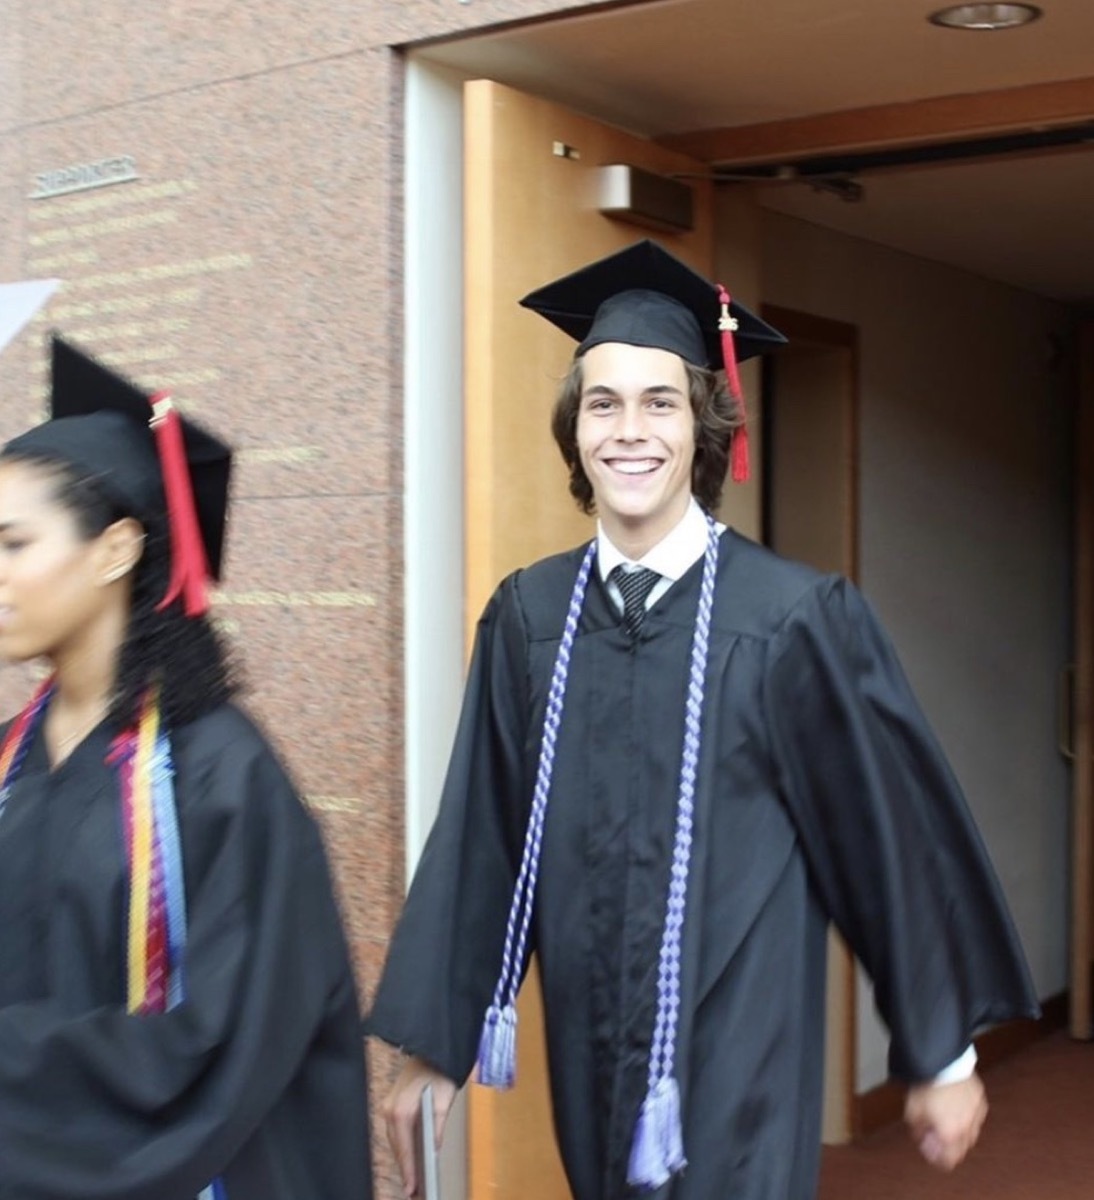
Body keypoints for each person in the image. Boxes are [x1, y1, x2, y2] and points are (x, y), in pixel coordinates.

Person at [367, 240, 1039, 1200]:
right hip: (591, 1041)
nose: (628, 431)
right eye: (603, 403)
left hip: (741, 1051)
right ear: (574, 428)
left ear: (703, 426)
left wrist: (940, 1055)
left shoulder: (790, 619)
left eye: (659, 402)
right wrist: (435, 1041)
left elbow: (880, 838)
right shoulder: (529, 616)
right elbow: (485, 834)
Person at [0, 335, 373, 1199]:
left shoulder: (220, 776)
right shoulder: (11, 755)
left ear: (116, 551)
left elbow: (222, 1046)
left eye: (15, 544)